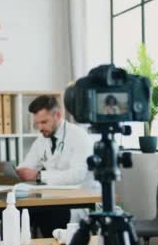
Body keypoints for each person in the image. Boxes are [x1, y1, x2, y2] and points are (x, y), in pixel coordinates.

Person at [16, 95, 98, 236]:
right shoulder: (42, 139)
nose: (40, 128)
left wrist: (39, 175)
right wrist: (14, 172)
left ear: (58, 115)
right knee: (16, 212)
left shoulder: (78, 136)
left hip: (78, 201)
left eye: (44, 122)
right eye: (37, 124)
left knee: (52, 215)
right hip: (53, 199)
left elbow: (77, 175)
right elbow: (27, 165)